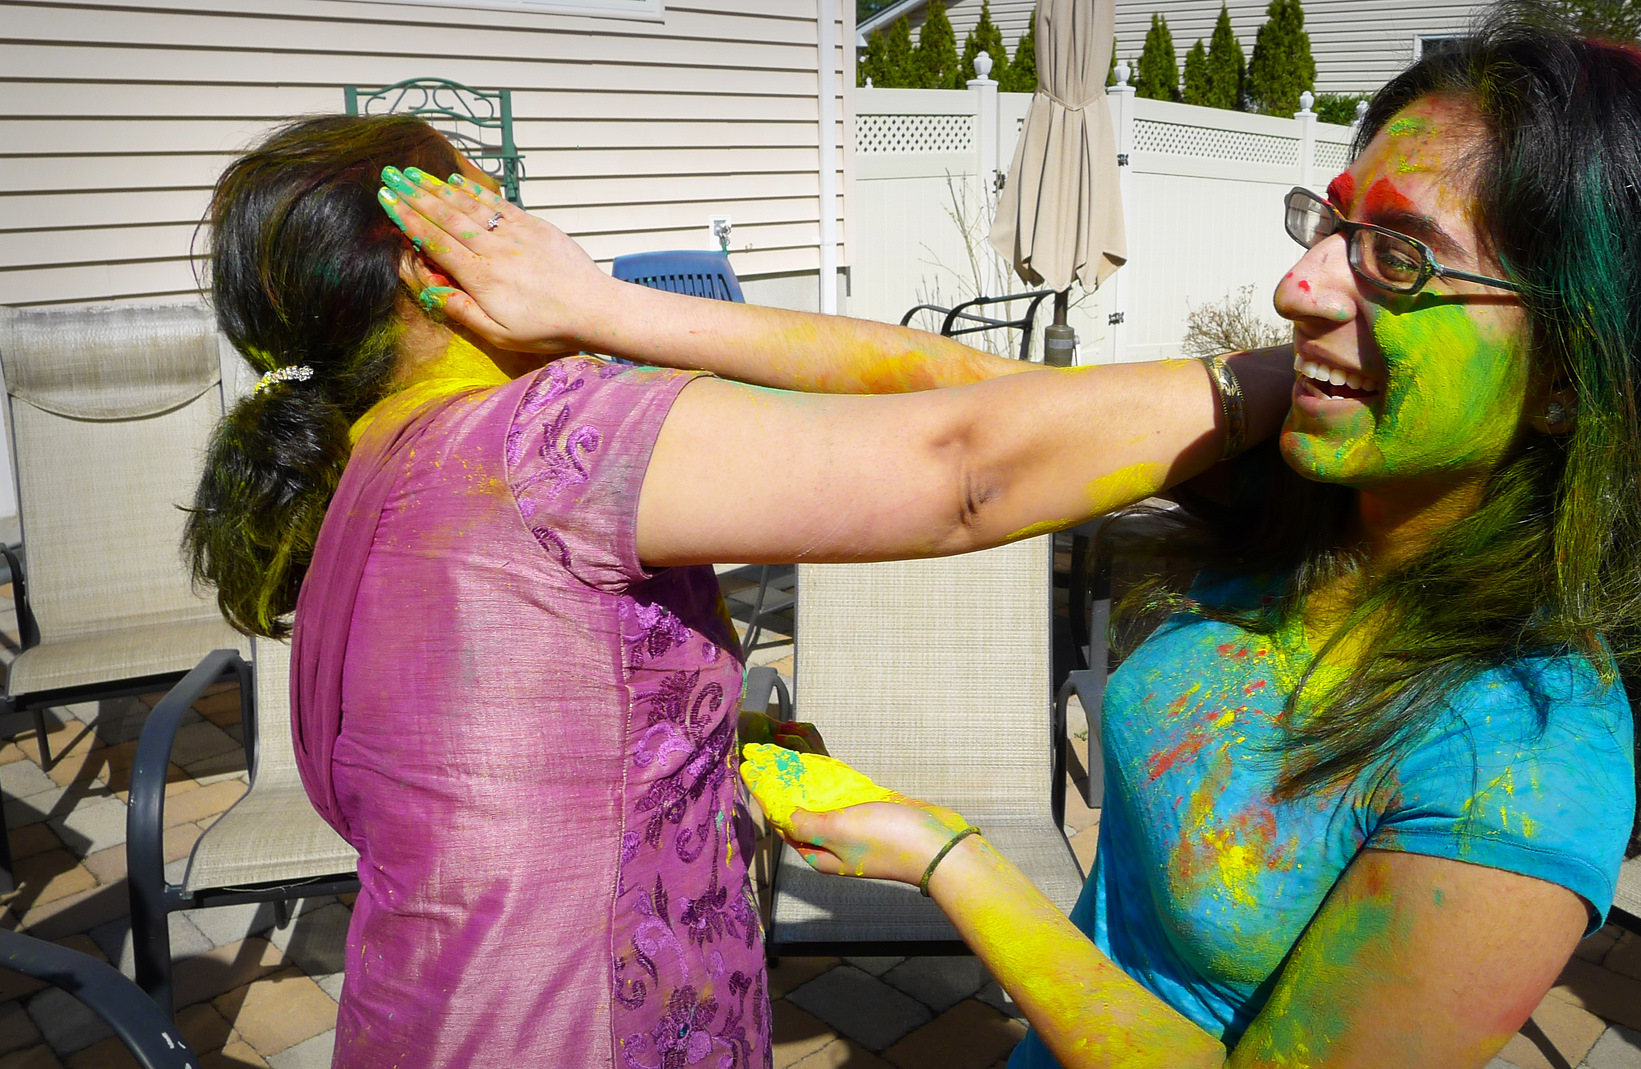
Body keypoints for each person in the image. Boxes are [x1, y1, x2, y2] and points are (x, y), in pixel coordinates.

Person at [731, 16, 1641, 1069]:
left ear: (1573, 375)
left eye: (1399, 256)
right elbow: (975, 400)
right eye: (1334, 223)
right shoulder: (1314, 498)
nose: (1297, 285)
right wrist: (643, 329)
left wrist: (950, 863)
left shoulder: (1522, 769)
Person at [184, 114, 1293, 1067]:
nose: (529, 223)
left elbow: (476, 757)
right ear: (434, 260)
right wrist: (1289, 380)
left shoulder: (354, 477)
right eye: (497, 205)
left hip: (415, 1019)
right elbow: (966, 470)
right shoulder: (551, 437)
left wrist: (679, 734)